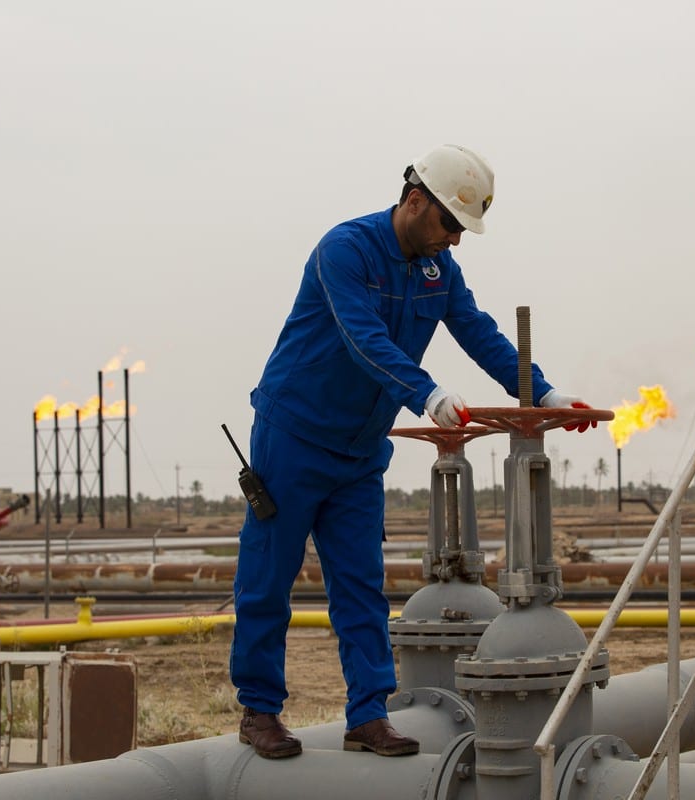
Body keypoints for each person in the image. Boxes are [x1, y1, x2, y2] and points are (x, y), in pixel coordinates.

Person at [230, 144, 596, 759]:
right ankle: (260, 711)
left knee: (361, 585)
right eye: (450, 223)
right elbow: (362, 338)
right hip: (293, 435)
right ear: (415, 200)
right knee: (267, 578)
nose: (454, 240)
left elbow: (480, 333)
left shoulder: (438, 272)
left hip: (357, 451)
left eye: (463, 230)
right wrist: (427, 395)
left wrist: (548, 393)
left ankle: (368, 716)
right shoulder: (344, 251)